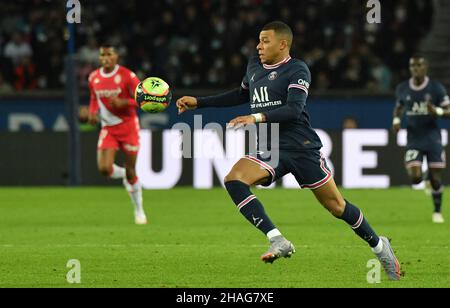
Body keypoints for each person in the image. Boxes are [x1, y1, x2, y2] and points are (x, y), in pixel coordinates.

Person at [177, 21, 401, 280]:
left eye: (265, 41)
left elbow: (294, 110)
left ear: (283, 44)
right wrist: (200, 103)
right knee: (234, 179)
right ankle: (277, 240)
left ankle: (380, 246)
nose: (259, 46)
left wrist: (256, 118)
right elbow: (240, 95)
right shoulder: (254, 66)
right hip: (270, 145)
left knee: (337, 207)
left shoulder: (297, 69)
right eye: (259, 41)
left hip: (301, 147)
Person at [87, 43, 147, 225]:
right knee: (104, 169)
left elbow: (143, 98)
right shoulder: (93, 77)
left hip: (128, 127)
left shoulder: (127, 76)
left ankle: (139, 211)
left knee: (131, 171)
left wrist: (125, 103)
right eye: (102, 55)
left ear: (116, 57)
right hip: (108, 128)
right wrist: (92, 112)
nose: (105, 58)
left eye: (109, 54)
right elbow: (93, 98)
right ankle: (122, 175)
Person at [393, 55, 450, 224]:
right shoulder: (403, 88)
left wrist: (437, 112)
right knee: (415, 178)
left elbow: (448, 111)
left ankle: (437, 212)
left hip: (432, 138)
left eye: (419, 65)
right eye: (412, 66)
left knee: (436, 179)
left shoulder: (436, 88)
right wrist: (396, 121)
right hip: (414, 138)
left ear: (426, 67)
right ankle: (422, 177)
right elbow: (399, 107)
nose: (415, 69)